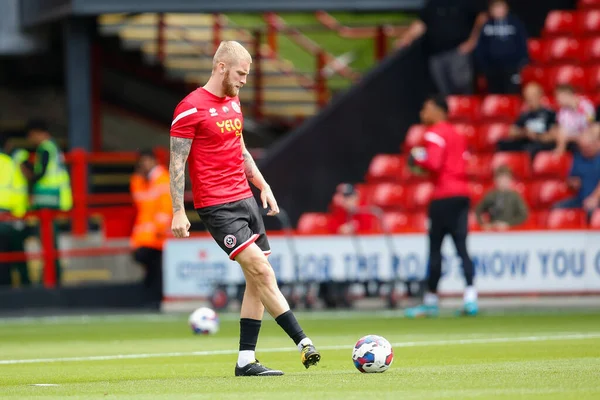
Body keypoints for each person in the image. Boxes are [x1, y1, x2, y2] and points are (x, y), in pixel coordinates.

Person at [169, 41, 320, 376]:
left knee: (255, 282)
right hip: (216, 205)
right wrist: (178, 210)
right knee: (264, 273)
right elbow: (176, 162)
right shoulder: (190, 108)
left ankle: (245, 361)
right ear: (221, 66)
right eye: (240, 73)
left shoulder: (233, 102)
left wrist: (262, 184)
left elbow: (239, 148)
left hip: (245, 199)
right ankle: (303, 342)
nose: (243, 81)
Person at [405, 95, 477, 318]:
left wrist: (416, 158)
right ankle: (470, 298)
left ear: (439, 110)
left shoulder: (434, 133)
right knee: (462, 248)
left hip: (443, 196)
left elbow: (434, 163)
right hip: (462, 194)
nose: (422, 113)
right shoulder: (458, 135)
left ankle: (431, 301)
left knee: (435, 250)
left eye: (426, 108)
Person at [397, 0, 488, 96]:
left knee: (461, 85)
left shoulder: (466, 2)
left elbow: (482, 17)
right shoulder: (432, 3)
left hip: (458, 52)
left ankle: (464, 109)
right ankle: (447, 109)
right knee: (442, 90)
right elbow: (421, 24)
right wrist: (406, 38)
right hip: (435, 53)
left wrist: (473, 41)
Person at [25, 119, 73, 285]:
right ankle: (51, 276)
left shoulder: (45, 148)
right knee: (49, 242)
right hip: (54, 199)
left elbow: (40, 175)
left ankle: (51, 277)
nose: (31, 139)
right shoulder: (53, 147)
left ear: (38, 132)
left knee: (48, 242)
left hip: (48, 200)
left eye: (32, 135)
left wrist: (25, 168)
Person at [130, 150, 172, 301]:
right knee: (152, 267)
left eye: (147, 161)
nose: (144, 165)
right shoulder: (142, 181)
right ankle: (152, 298)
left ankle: (154, 298)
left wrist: (160, 229)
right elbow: (140, 202)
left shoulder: (162, 179)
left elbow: (166, 207)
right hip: (146, 236)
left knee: (155, 268)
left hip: (158, 234)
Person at [475, 0, 529, 94]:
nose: (498, 10)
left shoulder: (516, 24)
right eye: (495, 8)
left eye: (501, 7)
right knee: (495, 95)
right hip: (492, 70)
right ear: (491, 10)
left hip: (512, 68)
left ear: (506, 8)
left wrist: (521, 64)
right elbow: (481, 48)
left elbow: (522, 44)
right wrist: (484, 67)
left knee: (512, 93)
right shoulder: (486, 25)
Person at [496, 82, 556, 157]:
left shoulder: (550, 113)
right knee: (503, 144)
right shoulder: (525, 114)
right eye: (527, 96)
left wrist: (537, 136)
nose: (529, 99)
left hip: (542, 145)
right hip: (526, 141)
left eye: (532, 96)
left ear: (540, 96)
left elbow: (554, 136)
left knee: (532, 149)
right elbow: (512, 132)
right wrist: (525, 133)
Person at [554, 133, 600, 217]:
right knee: (557, 208)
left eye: (587, 147)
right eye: (582, 148)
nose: (585, 150)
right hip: (581, 199)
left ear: (597, 144)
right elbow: (571, 178)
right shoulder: (578, 157)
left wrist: (595, 198)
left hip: (596, 201)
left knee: (591, 211)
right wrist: (572, 182)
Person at [475, 166, 529, 230]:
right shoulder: (490, 195)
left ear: (511, 180)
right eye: (501, 178)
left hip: (511, 232)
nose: (503, 181)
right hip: (493, 231)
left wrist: (509, 224)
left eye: (506, 178)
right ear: (495, 180)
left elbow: (524, 215)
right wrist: (484, 224)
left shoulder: (515, 196)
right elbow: (477, 211)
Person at [553, 84, 596, 155]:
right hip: (573, 137)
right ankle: (559, 155)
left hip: (587, 132)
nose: (557, 100)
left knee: (595, 130)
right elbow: (563, 130)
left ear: (565, 95)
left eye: (558, 97)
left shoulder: (586, 105)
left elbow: (591, 123)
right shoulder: (562, 112)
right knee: (559, 132)